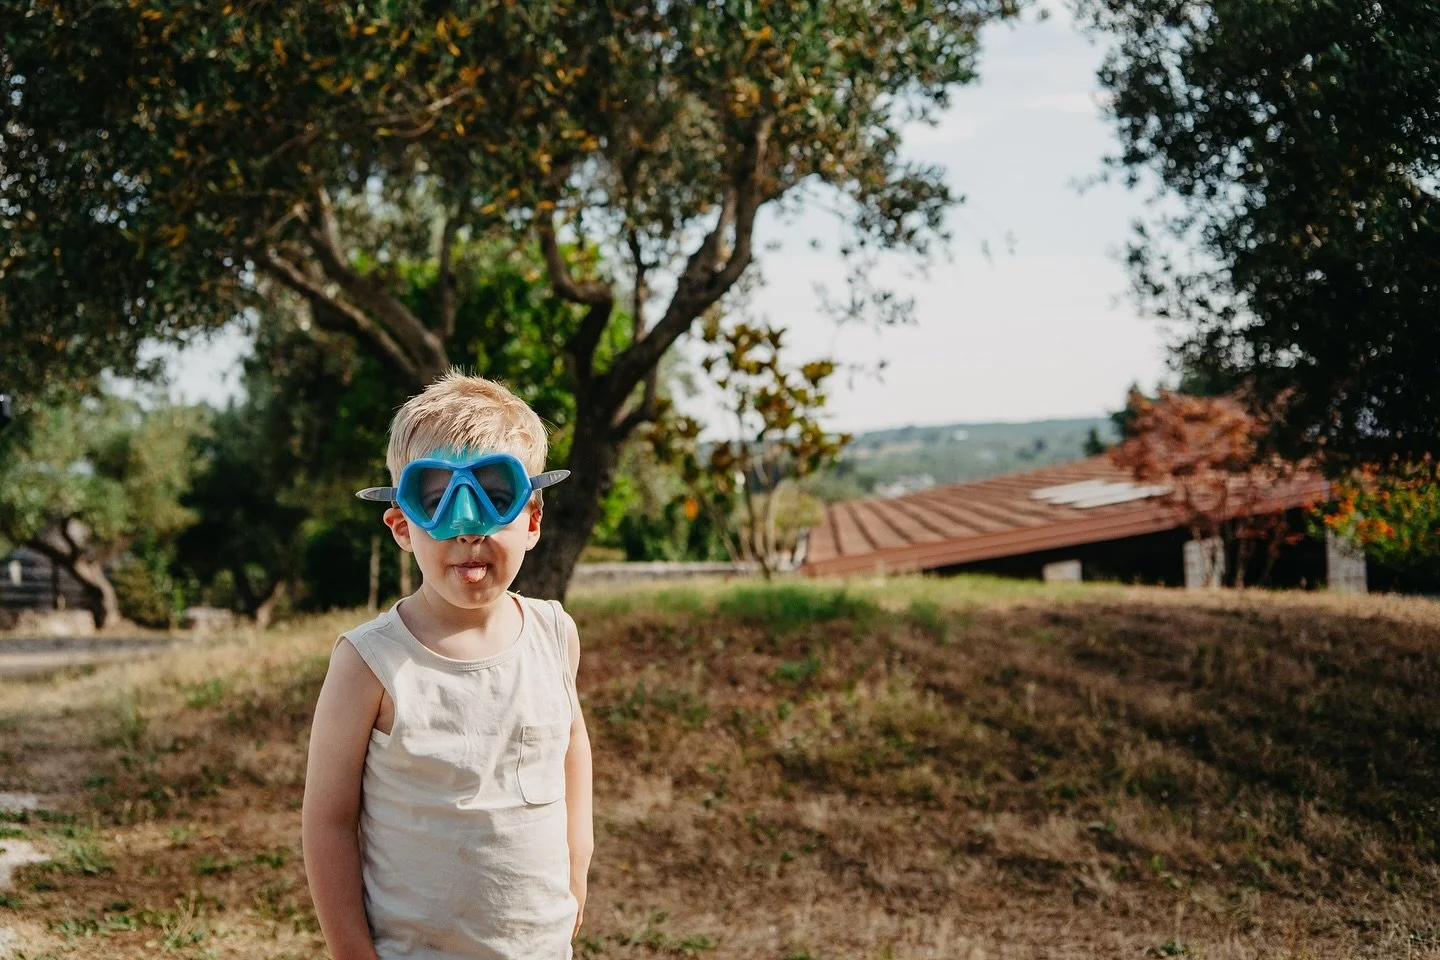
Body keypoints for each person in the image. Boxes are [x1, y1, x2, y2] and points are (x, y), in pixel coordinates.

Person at [302, 371, 594, 960]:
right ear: (402, 525)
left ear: (533, 519)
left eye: (496, 493)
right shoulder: (369, 663)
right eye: (436, 500)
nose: (468, 525)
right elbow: (328, 820)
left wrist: (576, 877)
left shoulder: (554, 633)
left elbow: (571, 756)